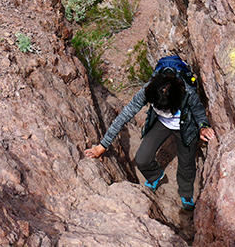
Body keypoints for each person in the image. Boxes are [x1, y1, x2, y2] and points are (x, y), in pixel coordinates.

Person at [84, 71, 215, 210]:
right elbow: (124, 115)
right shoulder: (149, 90)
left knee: (187, 164)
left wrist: (203, 127)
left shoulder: (187, 94)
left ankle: (186, 193)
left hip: (186, 128)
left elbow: (199, 112)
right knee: (142, 159)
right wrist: (103, 145)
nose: (162, 110)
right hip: (162, 124)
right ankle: (155, 175)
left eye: (165, 109)